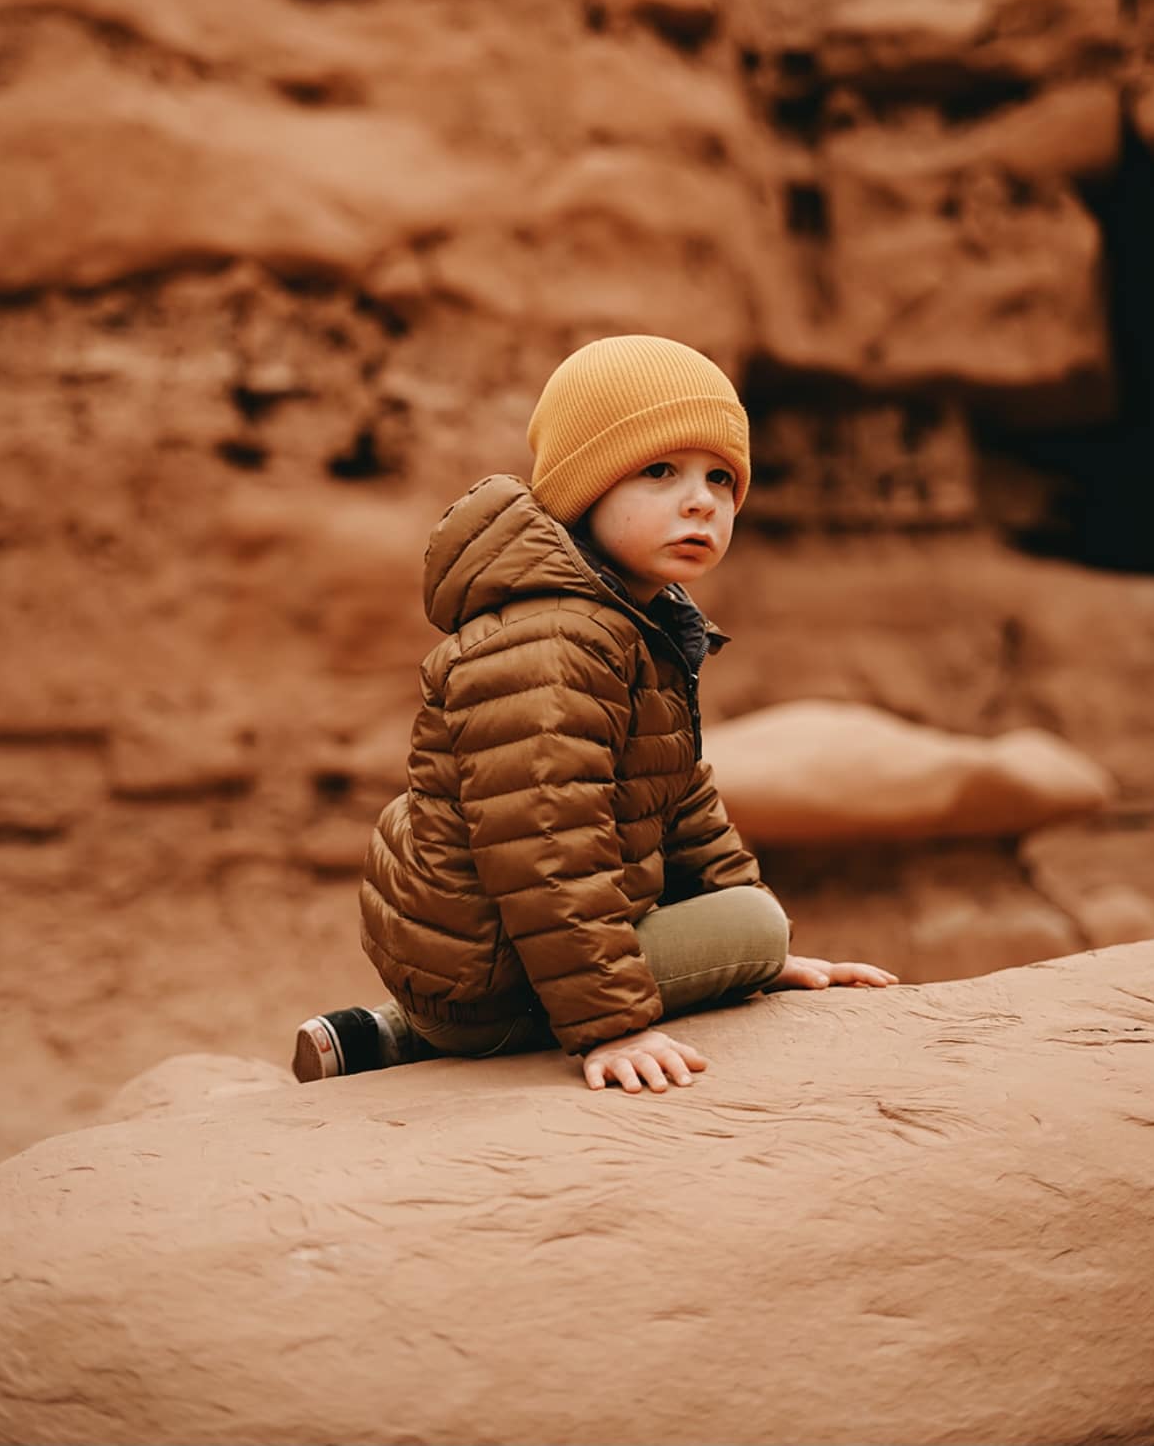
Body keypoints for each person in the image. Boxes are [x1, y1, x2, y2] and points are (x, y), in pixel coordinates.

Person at [293, 335, 896, 1095]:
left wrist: (757, 962)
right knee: (750, 925)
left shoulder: (632, 622)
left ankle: (387, 1035)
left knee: (750, 925)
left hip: (477, 955)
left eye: (720, 477)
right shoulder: (556, 637)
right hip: (487, 970)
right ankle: (464, 1032)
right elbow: (548, 844)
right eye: (657, 471)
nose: (699, 500)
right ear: (584, 490)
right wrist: (615, 1025)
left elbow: (681, 799)